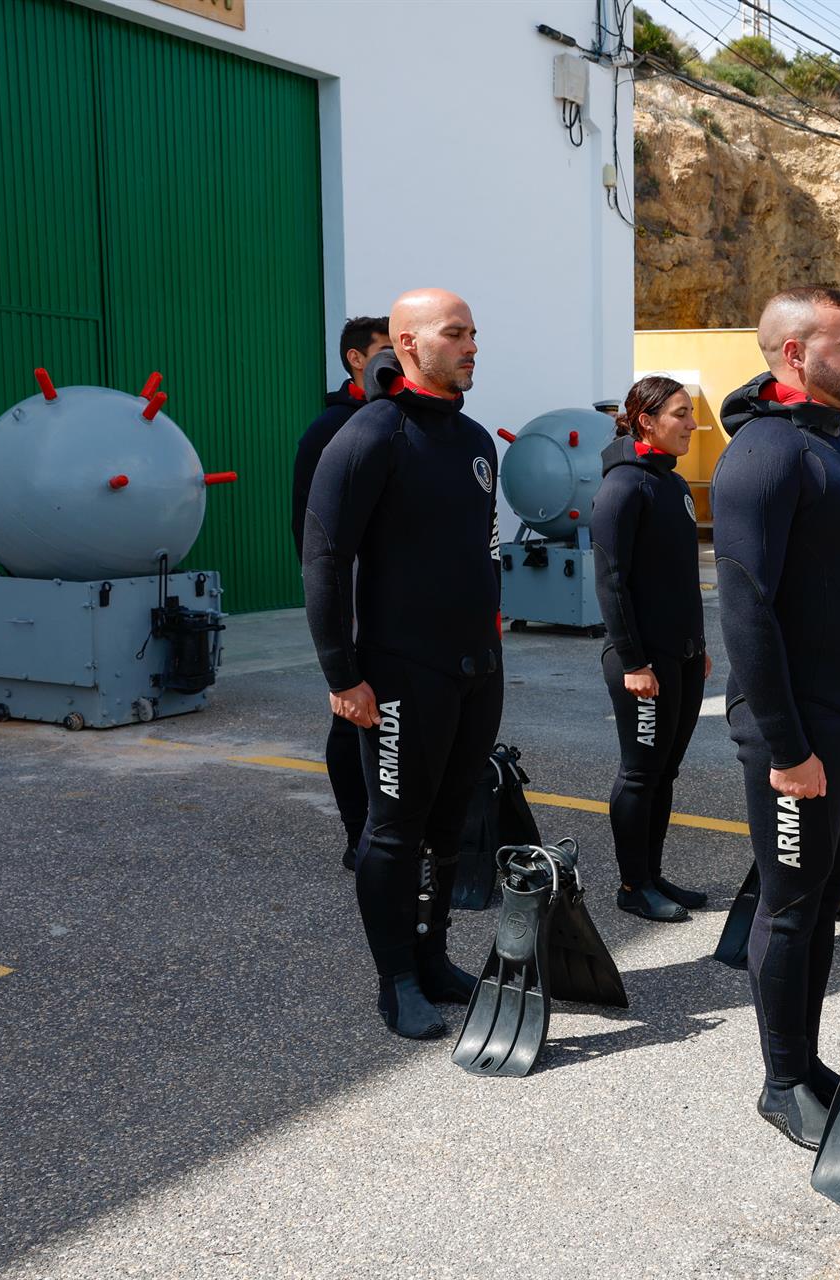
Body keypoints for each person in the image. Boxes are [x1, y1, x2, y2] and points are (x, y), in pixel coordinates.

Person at [712, 285, 840, 1149]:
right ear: (796, 352)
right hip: (796, 730)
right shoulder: (764, 453)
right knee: (789, 907)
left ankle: (807, 1058)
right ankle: (782, 1078)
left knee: (825, 897)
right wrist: (786, 746)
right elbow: (747, 609)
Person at [303, 288, 503, 1040]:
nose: (473, 345)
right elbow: (324, 561)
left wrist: (493, 639)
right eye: (456, 333)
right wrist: (341, 676)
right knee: (394, 831)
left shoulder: (477, 440)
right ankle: (396, 982)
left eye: (475, 332)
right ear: (409, 344)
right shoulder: (369, 436)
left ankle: (434, 956)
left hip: (474, 667)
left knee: (451, 823)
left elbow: (482, 551)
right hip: (398, 671)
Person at [589, 375, 712, 922]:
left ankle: (654, 874)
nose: (692, 424)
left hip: (680, 655)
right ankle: (631, 885)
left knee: (665, 771)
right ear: (646, 421)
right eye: (681, 414)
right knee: (641, 772)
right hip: (642, 661)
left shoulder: (673, 484)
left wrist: (698, 646)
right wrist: (634, 660)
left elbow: (683, 578)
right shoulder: (624, 487)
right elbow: (611, 581)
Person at [290, 315, 390, 870]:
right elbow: (312, 538)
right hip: (354, 597)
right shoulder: (331, 429)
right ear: (357, 359)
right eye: (384, 350)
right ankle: (360, 835)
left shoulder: (398, 421)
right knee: (351, 713)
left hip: (399, 602)